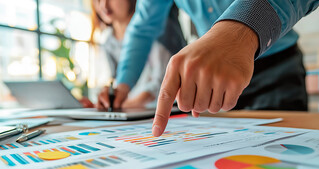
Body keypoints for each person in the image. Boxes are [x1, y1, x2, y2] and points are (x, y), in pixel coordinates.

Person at [96, 0, 319, 136]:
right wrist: (122, 86)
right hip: (216, 84)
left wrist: (241, 29)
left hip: (276, 69)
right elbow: (143, 27)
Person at [91, 0, 185, 109]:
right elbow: (142, 31)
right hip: (137, 111)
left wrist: (125, 104)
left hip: (167, 108)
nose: (104, 5)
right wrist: (119, 92)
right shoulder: (108, 43)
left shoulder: (162, 31)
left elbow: (162, 84)